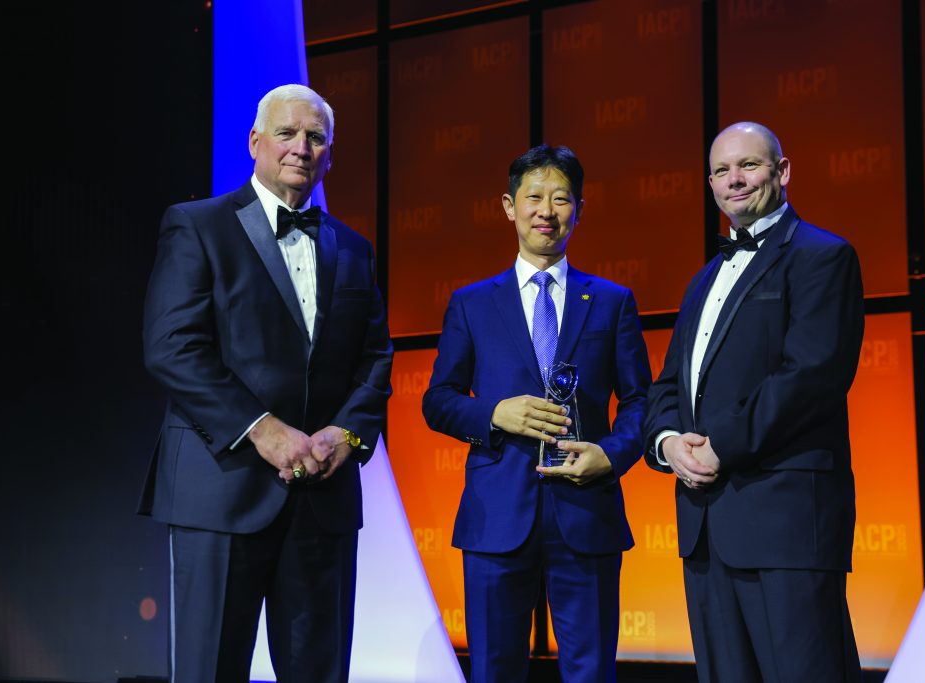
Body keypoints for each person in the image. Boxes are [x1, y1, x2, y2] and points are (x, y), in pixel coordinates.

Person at [139, 83, 393, 682]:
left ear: (329, 154)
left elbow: (376, 359)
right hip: (219, 490)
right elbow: (172, 347)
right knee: (209, 670)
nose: (301, 148)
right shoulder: (196, 225)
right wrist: (262, 429)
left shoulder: (355, 249)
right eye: (287, 133)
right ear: (255, 142)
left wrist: (347, 436)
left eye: (316, 138)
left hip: (322, 500)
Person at [643, 122, 864, 682]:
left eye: (749, 165)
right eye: (721, 171)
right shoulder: (703, 279)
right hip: (706, 526)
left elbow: (810, 377)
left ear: (782, 172)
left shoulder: (822, 256)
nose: (734, 180)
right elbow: (668, 384)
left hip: (785, 520)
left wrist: (722, 447)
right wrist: (669, 444)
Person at [422, 144, 651, 683]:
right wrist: (494, 414)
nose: (547, 211)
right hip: (497, 516)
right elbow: (439, 400)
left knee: (591, 671)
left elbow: (643, 401)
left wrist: (610, 455)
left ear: (579, 209)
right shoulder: (473, 303)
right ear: (508, 206)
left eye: (561, 199)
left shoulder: (613, 301)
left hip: (586, 513)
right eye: (534, 198)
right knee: (495, 671)